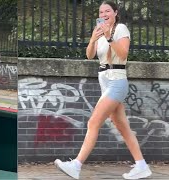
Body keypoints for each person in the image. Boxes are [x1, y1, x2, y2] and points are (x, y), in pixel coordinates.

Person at [54, 1, 152, 179]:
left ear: (115, 12)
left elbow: (122, 54)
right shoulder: (101, 32)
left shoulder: (120, 29)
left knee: (93, 123)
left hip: (117, 81)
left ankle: (76, 165)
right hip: (105, 82)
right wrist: (94, 38)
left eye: (108, 10)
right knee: (123, 127)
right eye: (101, 11)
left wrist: (108, 36)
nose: (104, 13)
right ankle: (142, 165)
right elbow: (89, 55)